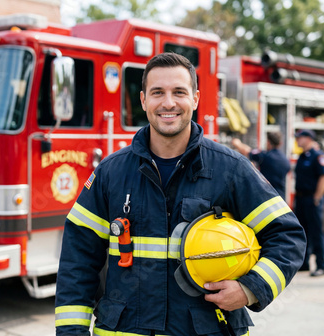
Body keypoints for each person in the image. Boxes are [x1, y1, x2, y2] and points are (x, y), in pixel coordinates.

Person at [55, 52, 306, 336]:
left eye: (179, 92)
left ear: (196, 99)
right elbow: (77, 261)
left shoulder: (230, 169)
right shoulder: (110, 173)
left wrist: (251, 288)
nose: (168, 103)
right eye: (157, 92)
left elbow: (287, 236)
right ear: (143, 100)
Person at [293, 129, 324, 277]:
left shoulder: (317, 156)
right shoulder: (302, 156)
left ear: (308, 138)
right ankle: (305, 263)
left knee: (316, 233)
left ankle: (320, 265)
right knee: (303, 232)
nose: (297, 140)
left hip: (311, 199)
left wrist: (317, 198)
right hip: (301, 198)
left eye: (299, 138)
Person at [231, 132, 291, 200]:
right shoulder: (285, 159)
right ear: (280, 143)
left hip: (266, 195)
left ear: (268, 142)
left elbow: (248, 151)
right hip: (280, 196)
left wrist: (238, 144)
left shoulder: (265, 156)